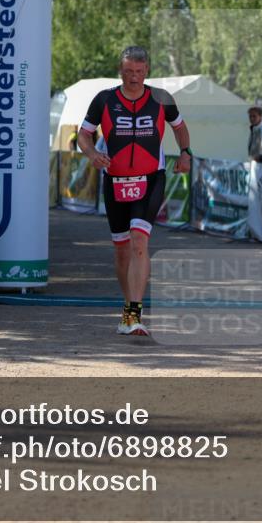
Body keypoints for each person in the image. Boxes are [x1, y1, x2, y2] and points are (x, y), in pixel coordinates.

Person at [77, 46, 191, 337]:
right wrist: (91, 154)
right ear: (121, 71)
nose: (134, 78)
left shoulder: (161, 99)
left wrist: (185, 152)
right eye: (129, 72)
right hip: (115, 180)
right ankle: (127, 309)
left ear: (147, 72)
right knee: (122, 250)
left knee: (140, 240)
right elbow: (84, 133)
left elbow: (179, 127)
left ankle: (134, 314)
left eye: (139, 73)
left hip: (151, 178)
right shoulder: (103, 99)